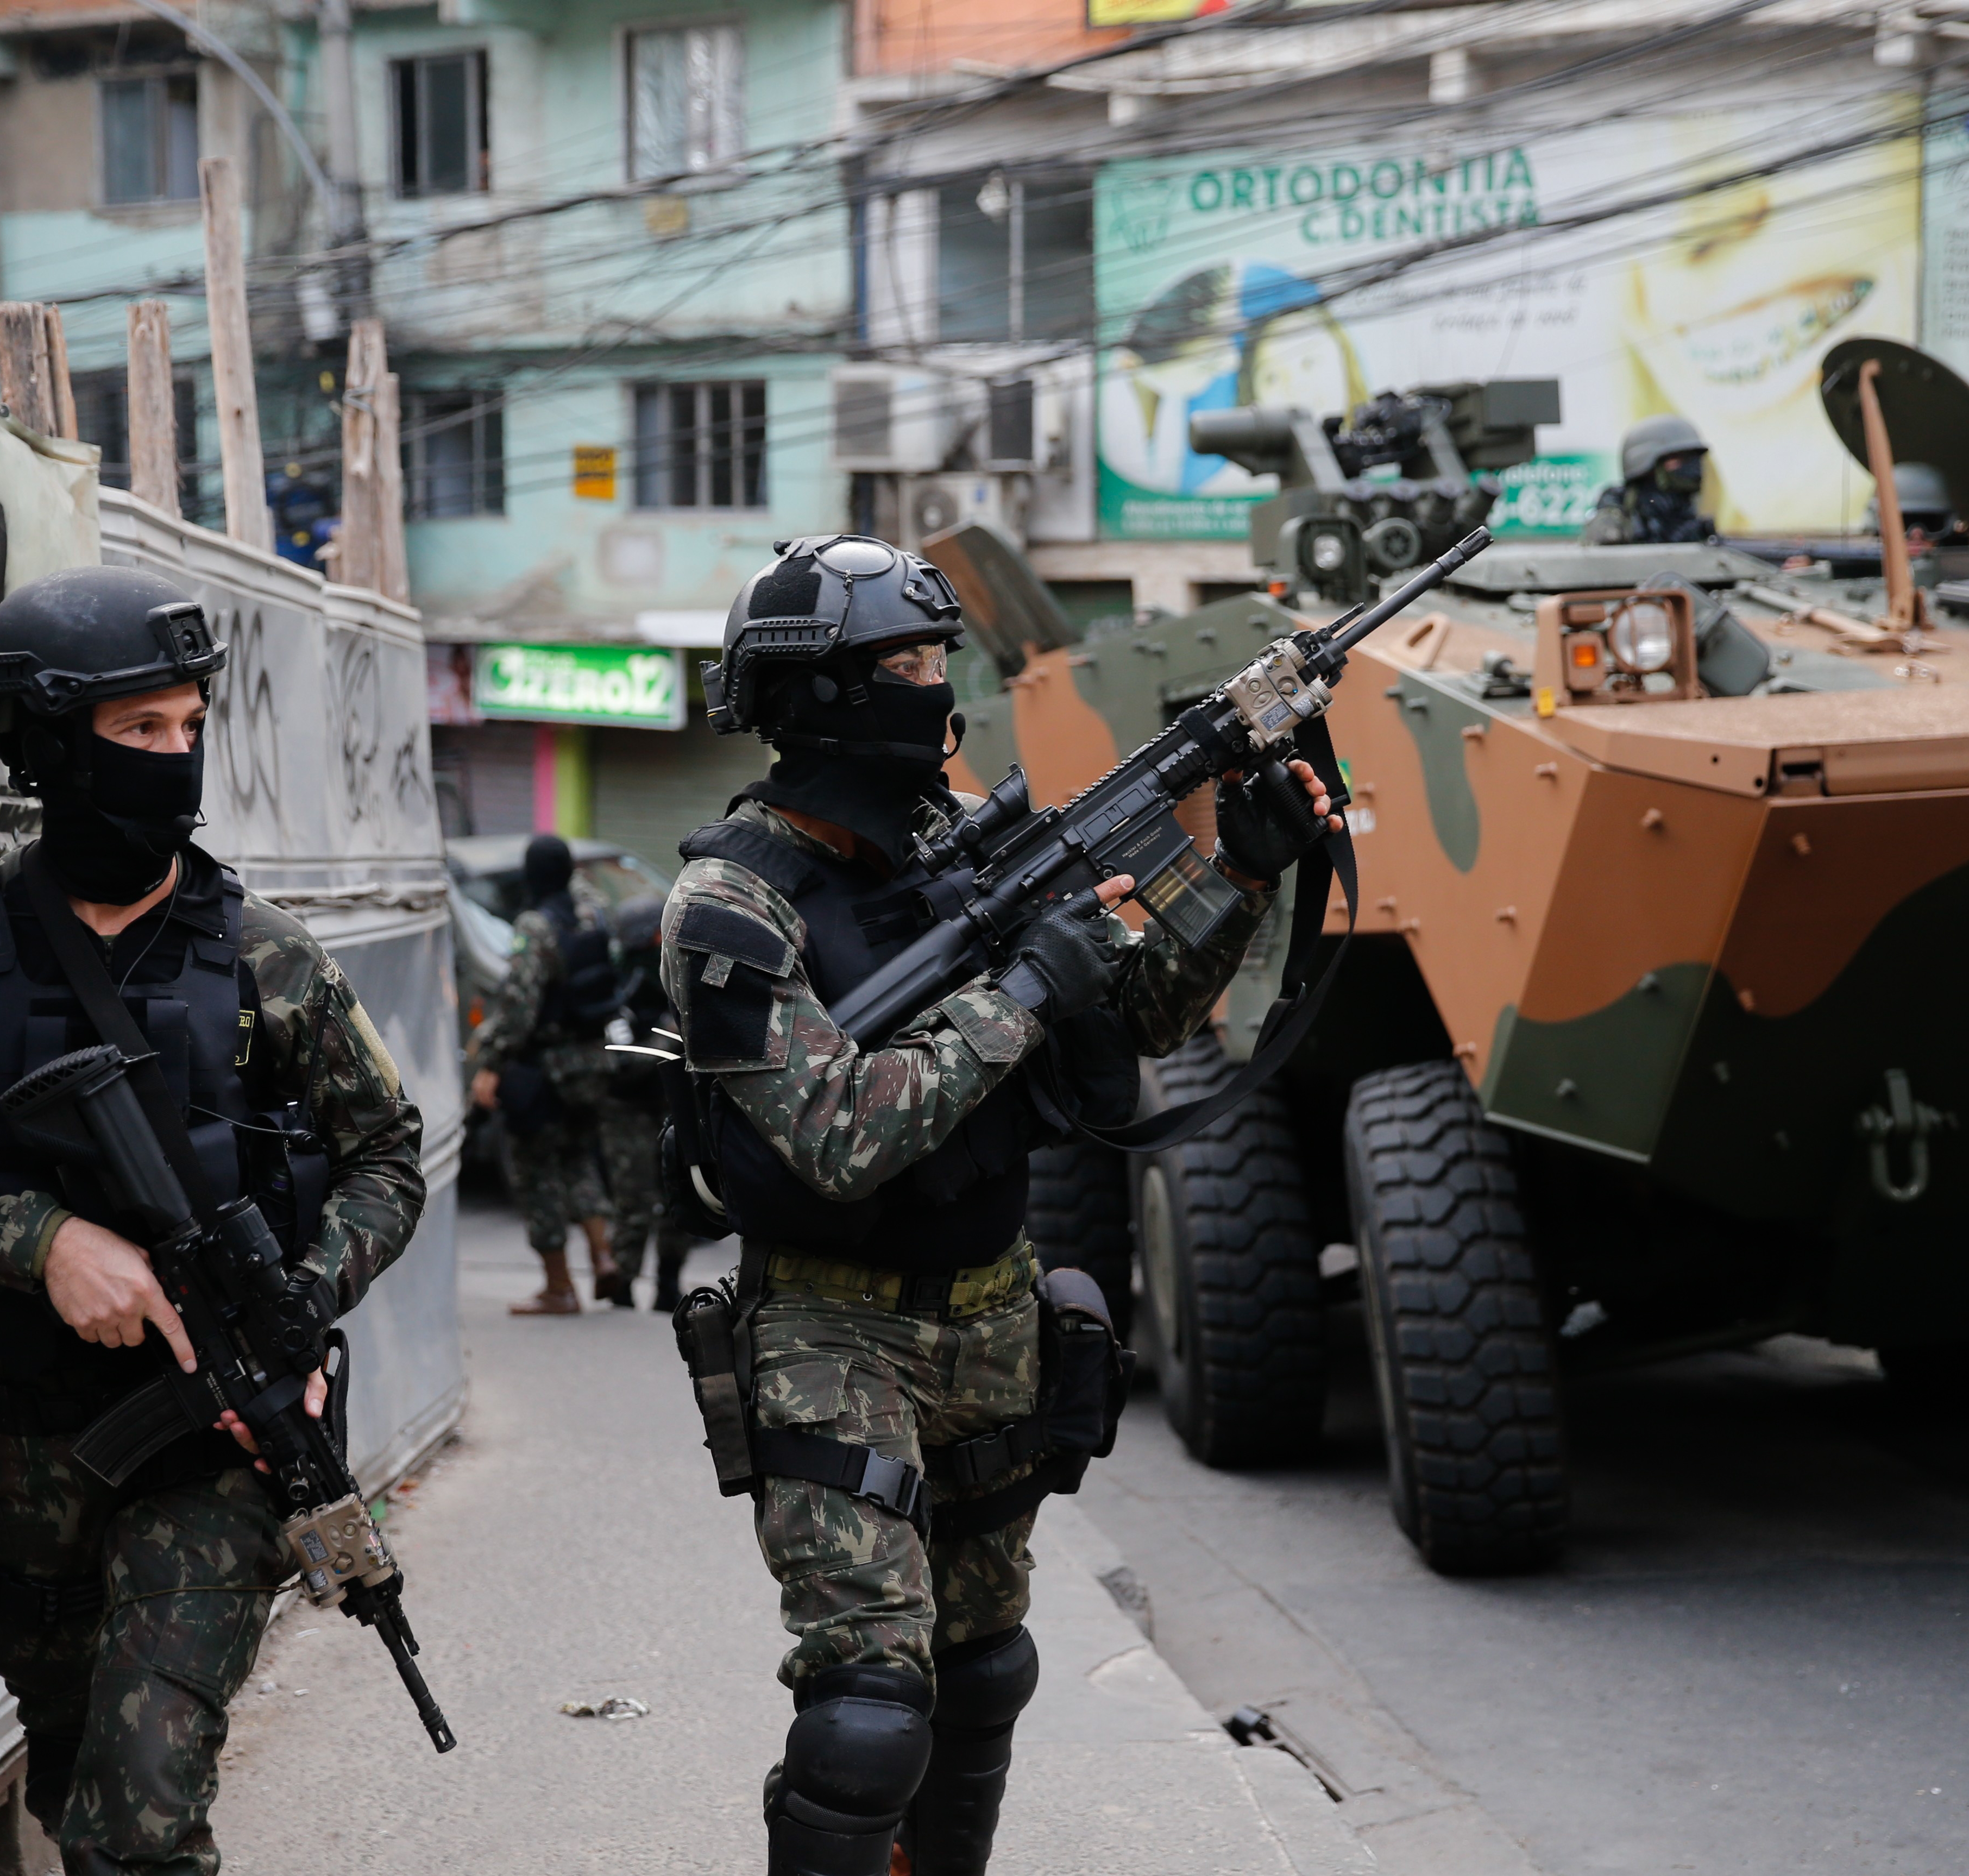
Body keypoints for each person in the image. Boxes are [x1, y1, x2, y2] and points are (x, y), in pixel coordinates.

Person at [663, 534, 1340, 1876]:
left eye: (934, 660)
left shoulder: (956, 847)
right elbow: (833, 1135)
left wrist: (1238, 880)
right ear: (820, 697)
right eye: (901, 666)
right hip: (826, 1334)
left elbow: (1136, 1015)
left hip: (992, 1318)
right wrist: (1020, 989)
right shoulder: (729, 902)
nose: (933, 689)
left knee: (981, 1676)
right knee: (866, 1712)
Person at [0, 565, 426, 1873]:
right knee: (83, 1779)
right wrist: (35, 1242)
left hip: (210, 1459)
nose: (175, 758)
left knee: (138, 1819)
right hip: (8, 1461)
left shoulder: (265, 955)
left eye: (191, 727)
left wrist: (305, 1293)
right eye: (141, 730)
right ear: (47, 740)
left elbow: (386, 1156)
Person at [469, 832, 633, 1311]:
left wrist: (492, 1063)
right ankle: (604, 1259)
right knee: (579, 1159)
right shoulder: (591, 913)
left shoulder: (535, 927)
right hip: (592, 1063)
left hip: (546, 1069)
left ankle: (559, 1288)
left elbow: (520, 1006)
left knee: (536, 1173)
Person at [600, 891, 699, 1312]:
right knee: (633, 1199)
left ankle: (666, 1283)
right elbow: (624, 1061)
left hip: (672, 1103)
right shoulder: (618, 985)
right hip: (627, 1107)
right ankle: (623, 1283)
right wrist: (665, 1035)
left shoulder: (679, 978)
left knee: (680, 1194)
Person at [1583, 412, 1715, 544]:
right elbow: (1602, 545)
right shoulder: (1620, 502)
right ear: (1646, 463)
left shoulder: (1686, 509)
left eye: (1692, 459)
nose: (1691, 467)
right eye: (1678, 459)